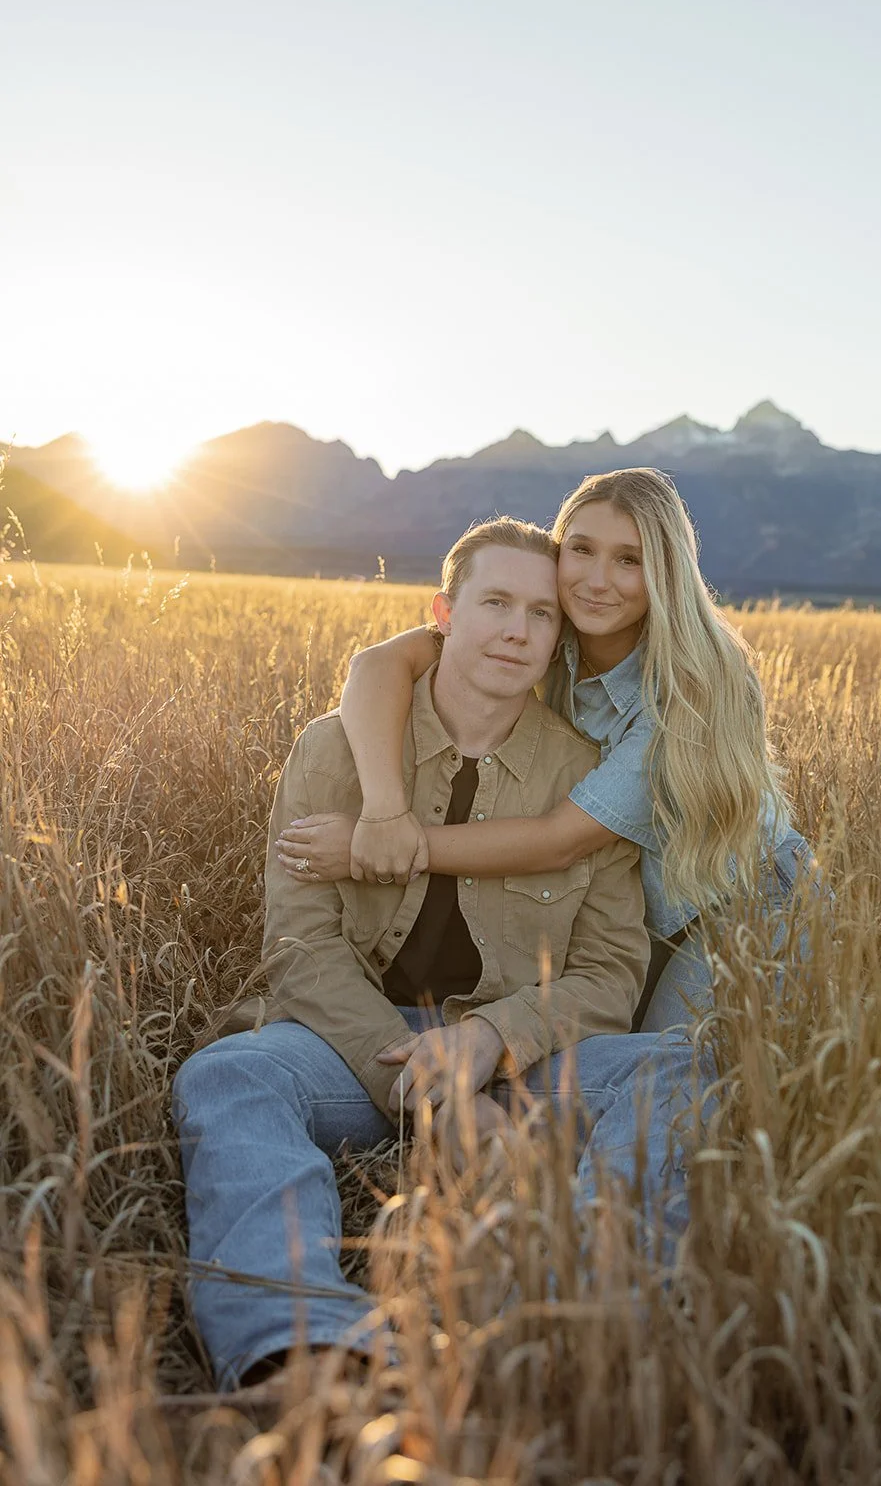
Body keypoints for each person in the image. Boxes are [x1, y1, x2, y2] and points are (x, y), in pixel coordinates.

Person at [172, 517, 691, 1394]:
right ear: (443, 613)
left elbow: (609, 974)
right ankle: (301, 1352)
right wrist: (426, 1087)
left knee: (675, 1067)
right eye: (495, 603)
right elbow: (301, 945)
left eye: (539, 613)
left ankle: (585, 1335)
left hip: (520, 1054)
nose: (517, 630)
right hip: (357, 1047)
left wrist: (490, 1043)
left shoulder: (589, 781)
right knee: (230, 1075)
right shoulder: (335, 749)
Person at [277, 468, 819, 1031]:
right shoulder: (542, 629)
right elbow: (378, 664)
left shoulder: (692, 688)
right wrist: (384, 810)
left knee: (676, 1074)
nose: (597, 580)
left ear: (666, 569)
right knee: (591, 1057)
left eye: (629, 560)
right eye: (581, 550)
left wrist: (383, 849)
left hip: (741, 907)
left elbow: (561, 843)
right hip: (644, 919)